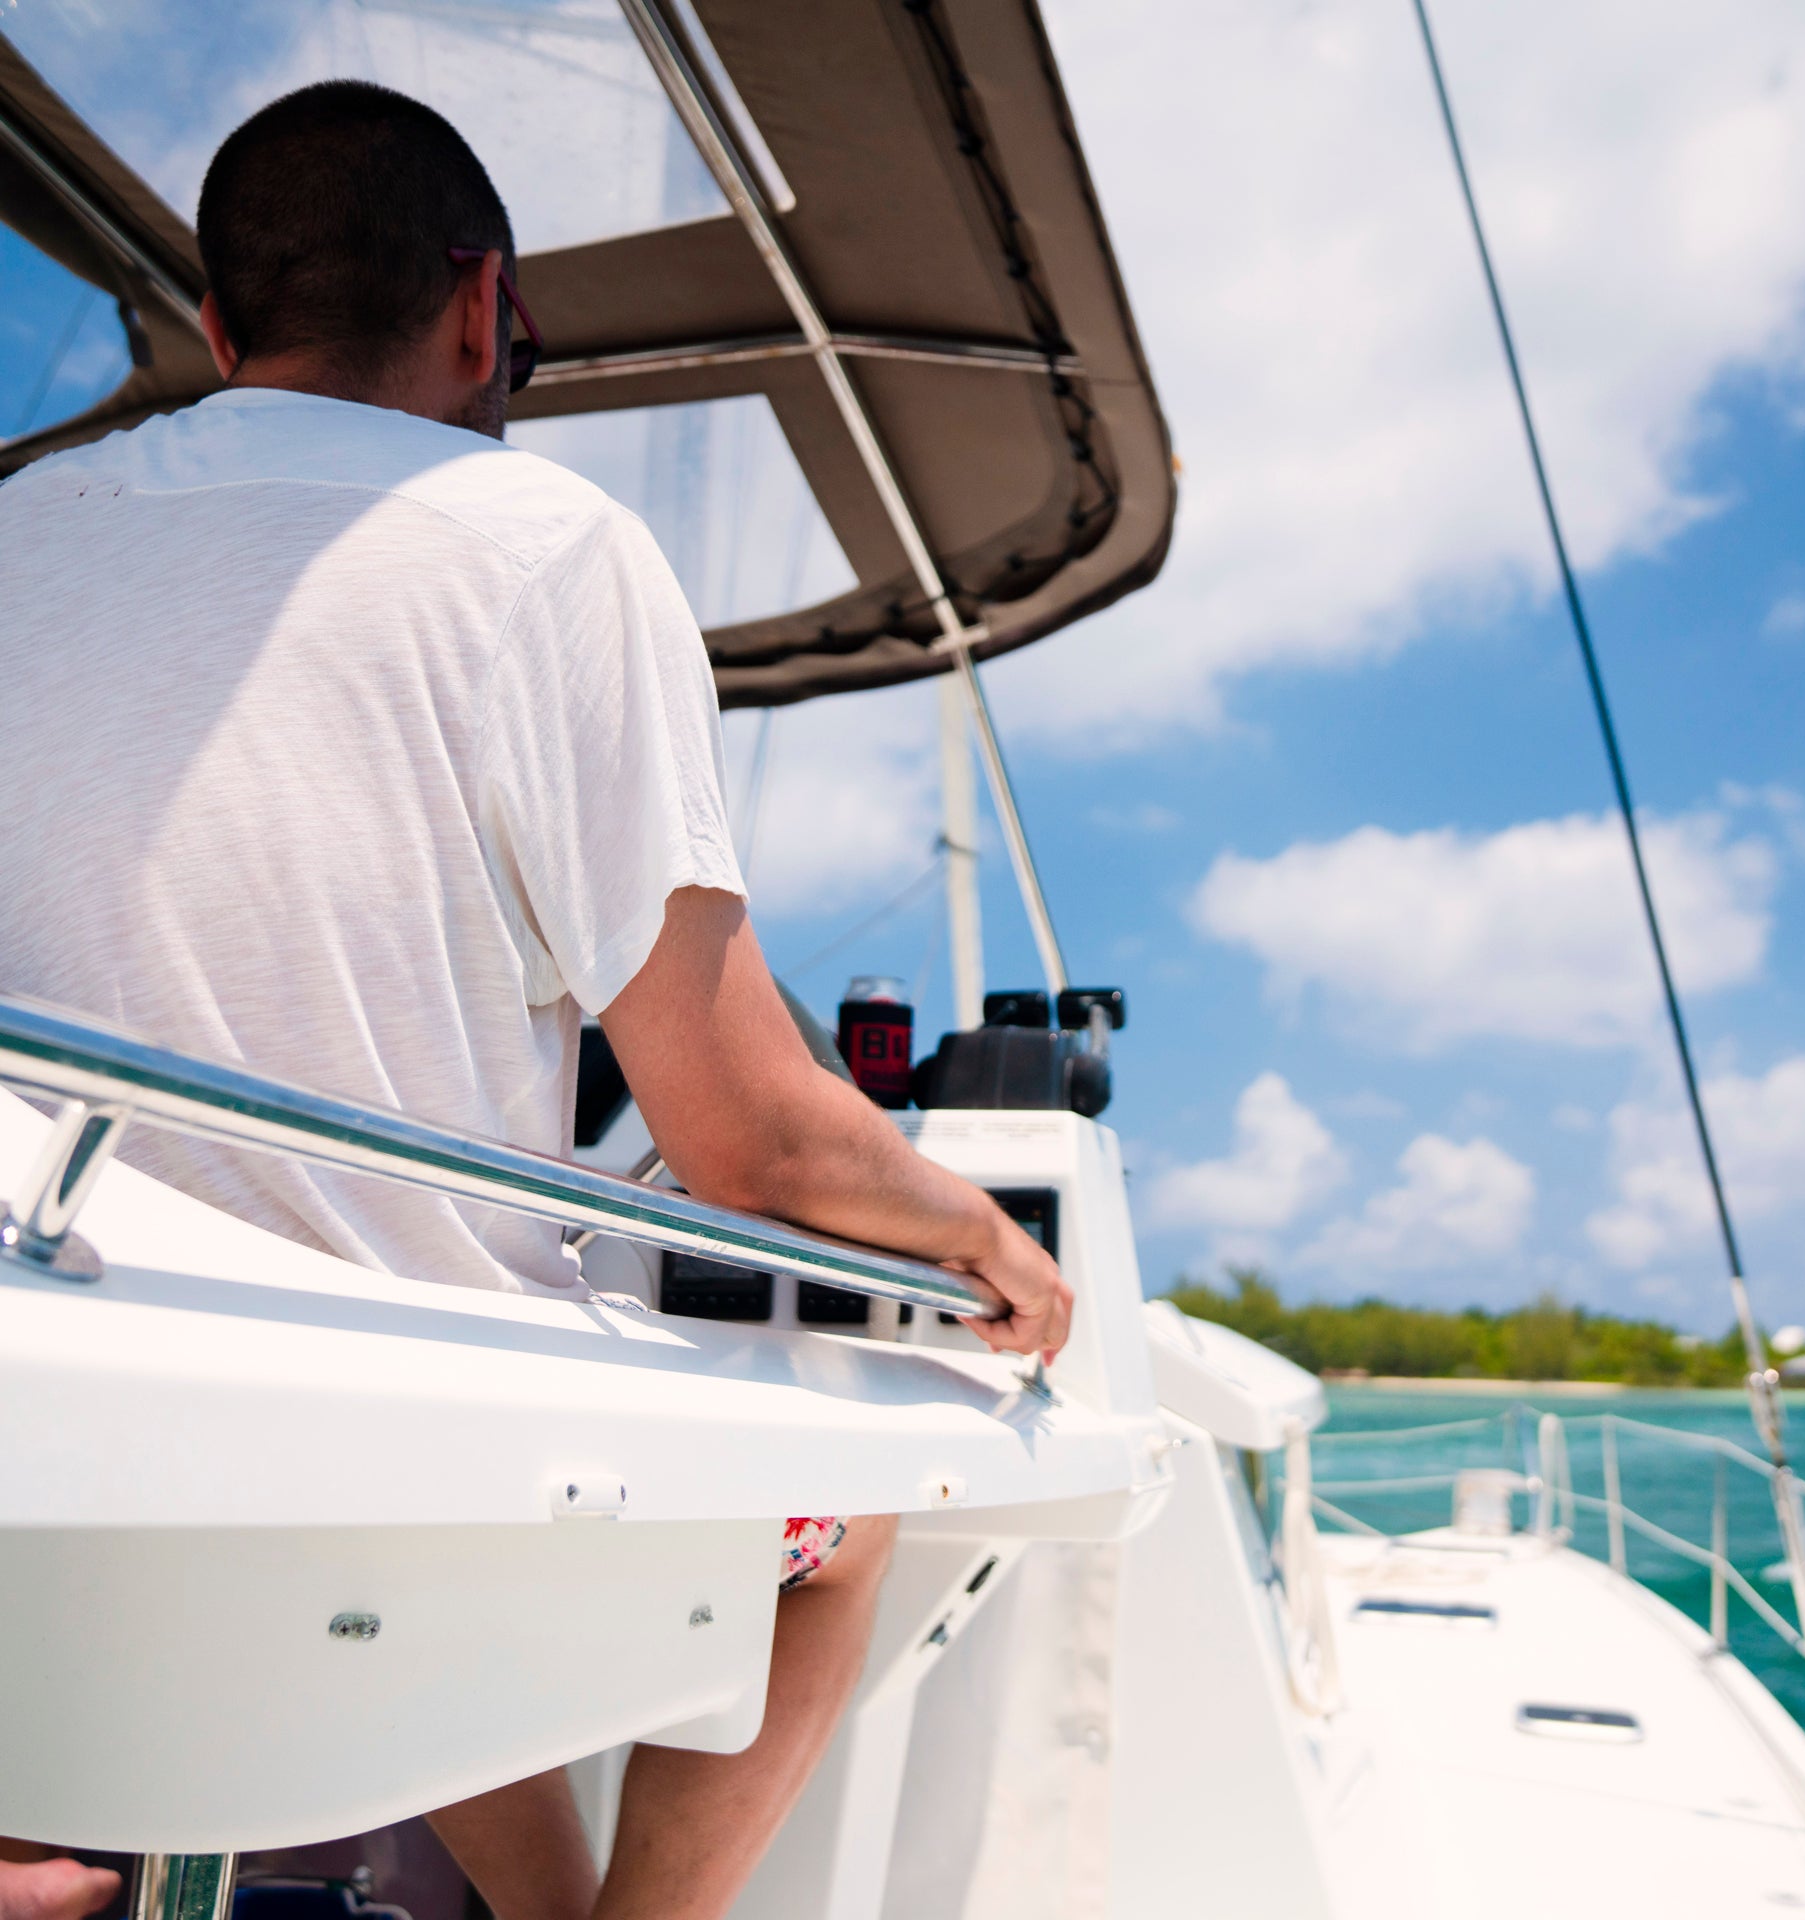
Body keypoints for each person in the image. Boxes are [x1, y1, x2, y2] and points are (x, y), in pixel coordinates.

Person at [0, 80, 1070, 1920]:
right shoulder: (541, 546)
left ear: (217, 331)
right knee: (827, 1508)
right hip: (399, 1514)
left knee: (457, 1422)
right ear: (484, 307)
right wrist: (980, 1242)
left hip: (47, 1482)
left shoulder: (20, 529)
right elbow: (742, 1140)